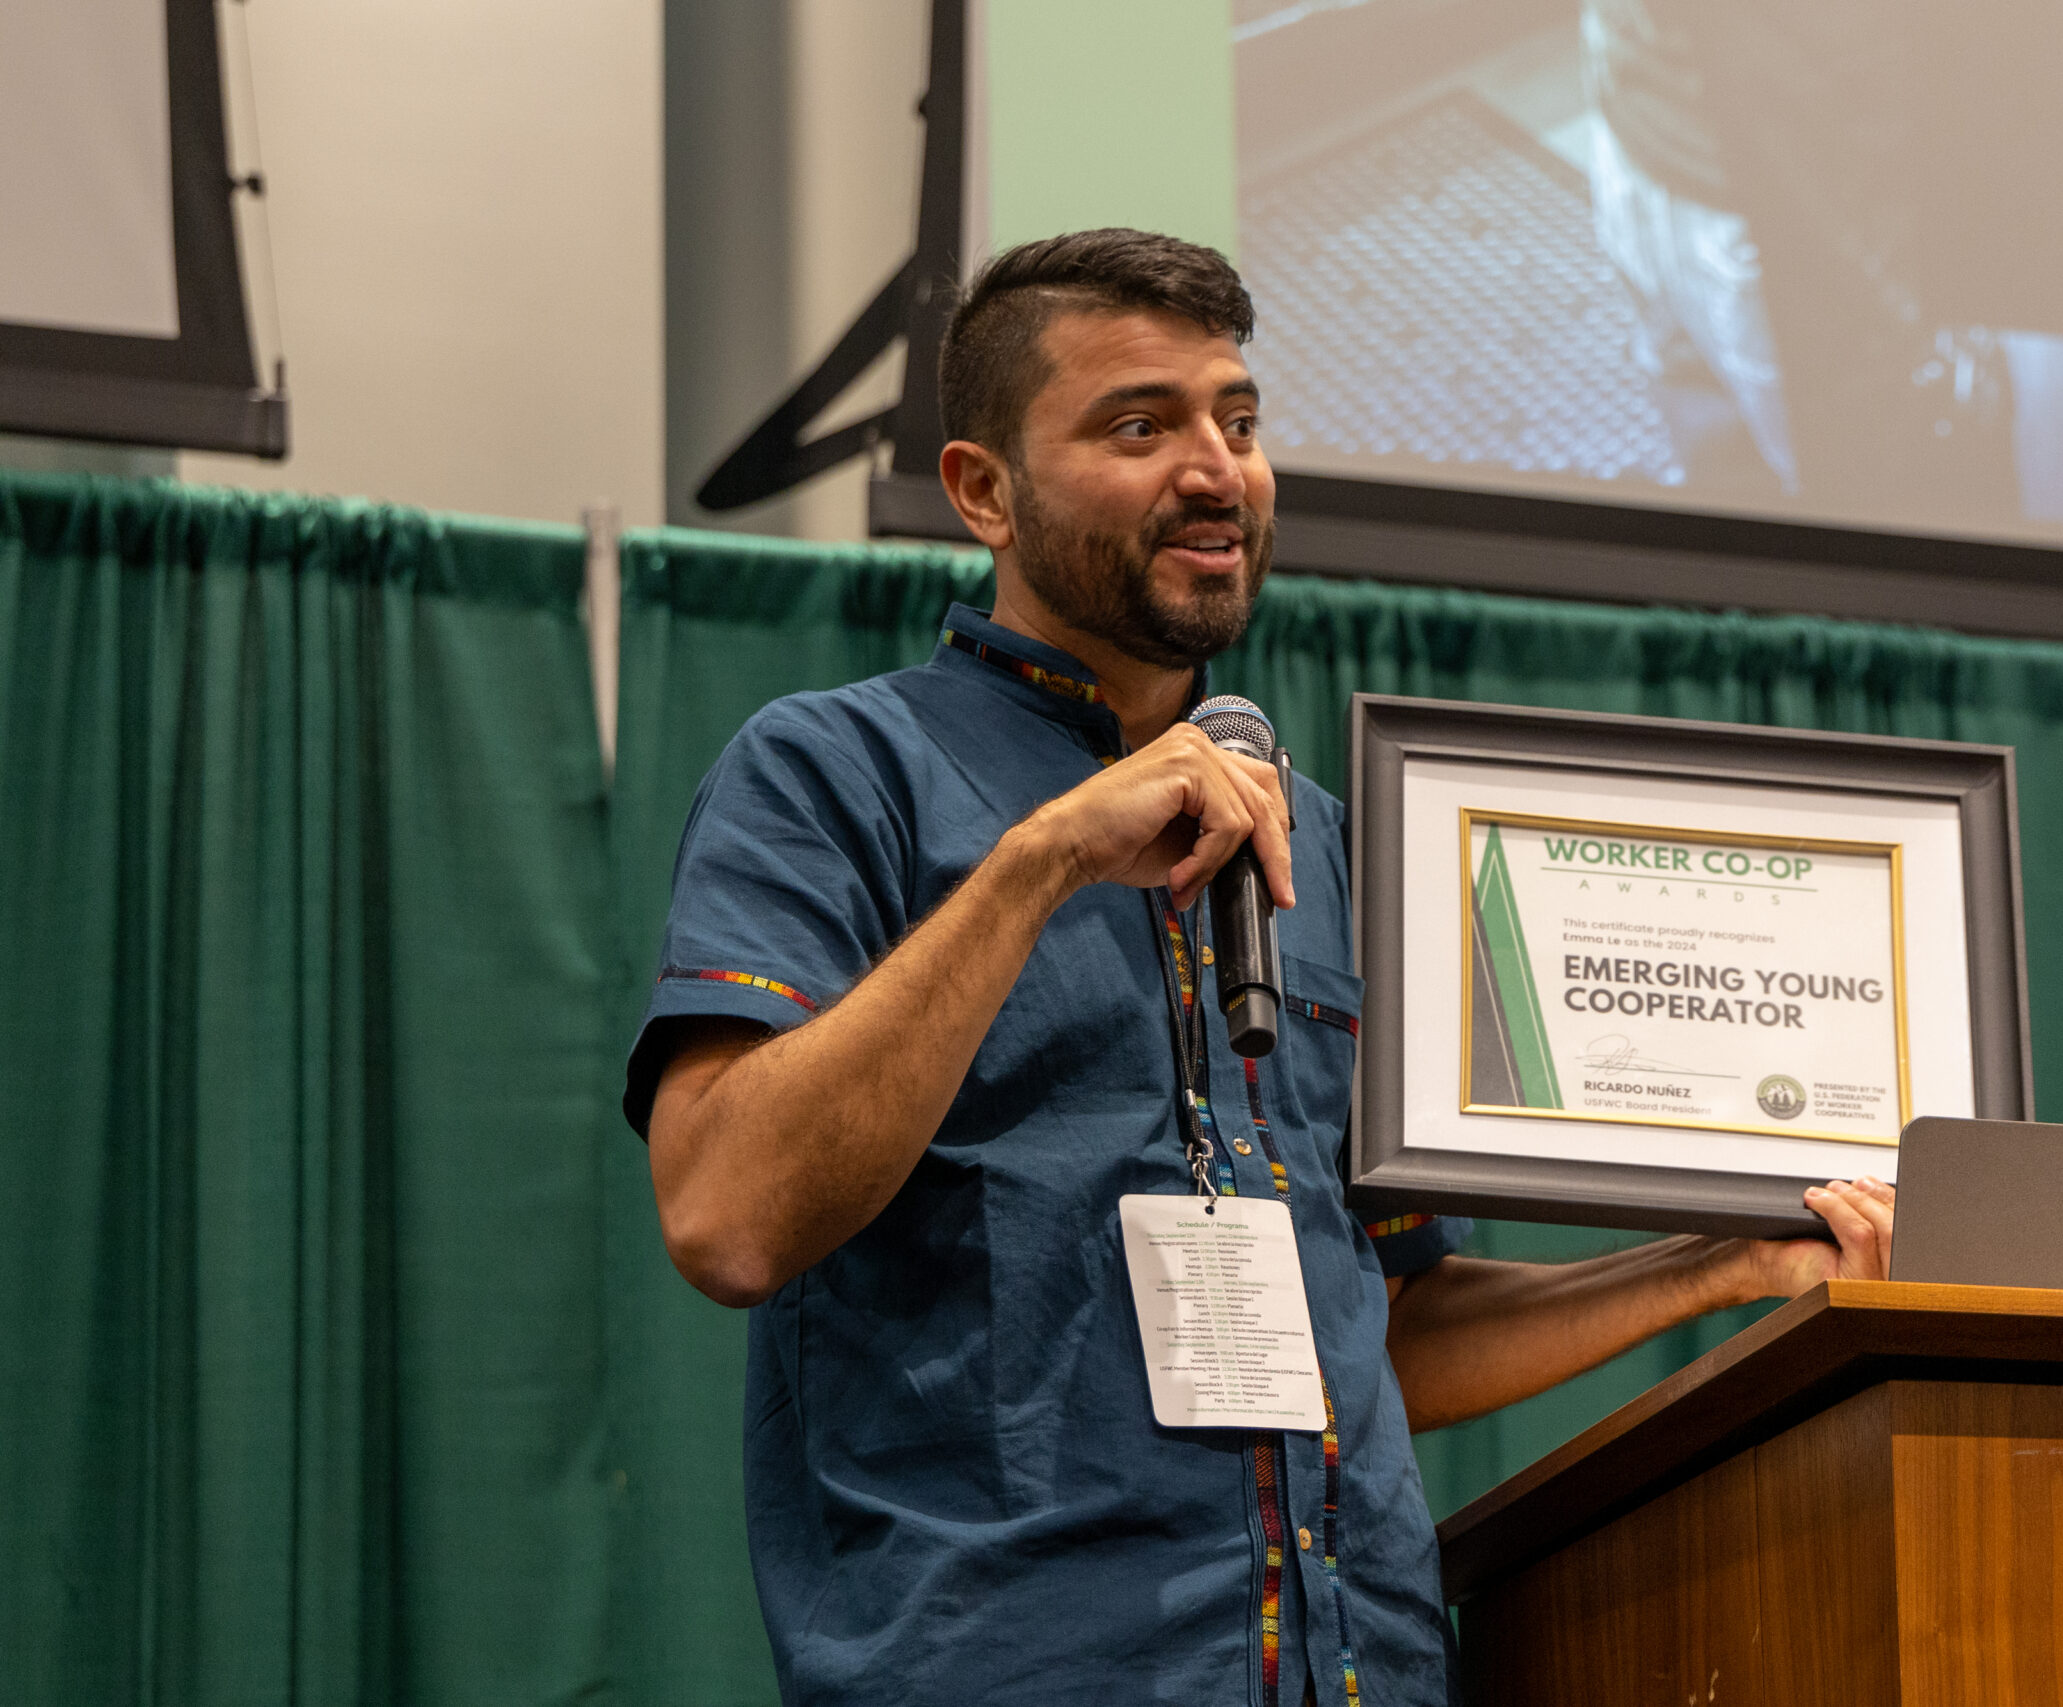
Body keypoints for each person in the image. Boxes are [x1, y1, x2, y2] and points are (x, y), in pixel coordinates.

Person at [628, 227, 1895, 1707]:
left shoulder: (1339, 849)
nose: (1217, 471)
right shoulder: (836, 774)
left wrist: (1721, 1263)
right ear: (982, 489)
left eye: (1239, 420)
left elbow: (1399, 1323)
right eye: (1139, 424)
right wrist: (1040, 860)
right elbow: (725, 1215)